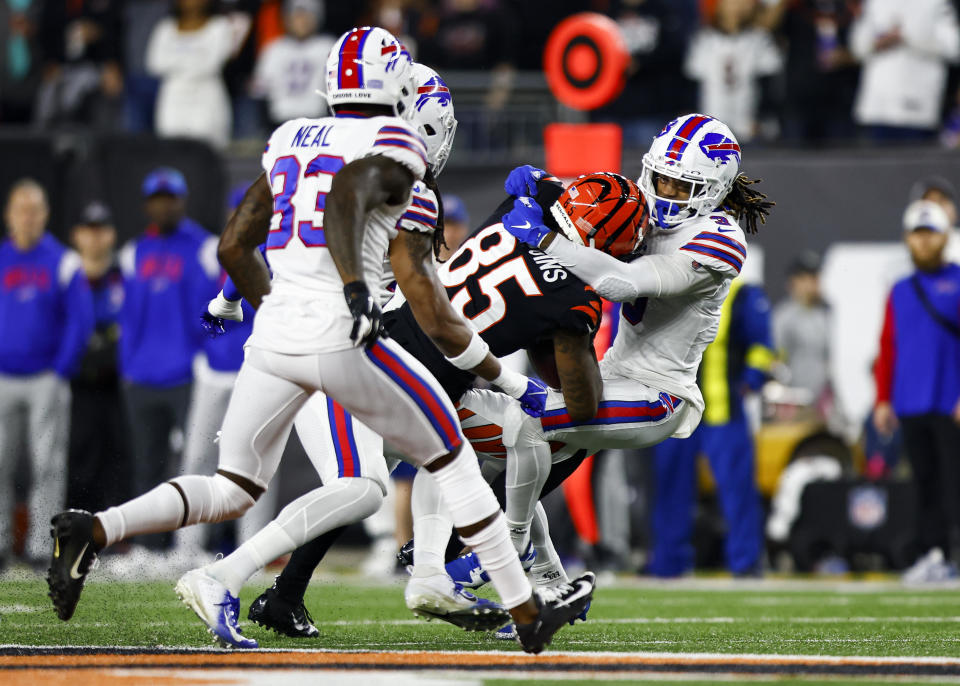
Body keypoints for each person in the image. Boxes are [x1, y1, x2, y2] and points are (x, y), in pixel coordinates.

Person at [47, 28, 593, 656]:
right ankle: (523, 615)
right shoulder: (397, 149)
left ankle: (96, 526)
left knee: (232, 488)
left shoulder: (289, 137)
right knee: (445, 459)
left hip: (276, 332)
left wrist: (250, 302)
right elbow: (399, 266)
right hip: (341, 339)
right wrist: (503, 375)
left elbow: (234, 245)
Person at [247, 168, 643, 639]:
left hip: (382, 343)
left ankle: (300, 590)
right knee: (535, 437)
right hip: (417, 382)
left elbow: (533, 182)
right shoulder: (573, 296)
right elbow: (580, 404)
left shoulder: (513, 214)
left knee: (385, 477)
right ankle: (451, 560)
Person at [457, 113, 773, 586]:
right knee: (516, 451)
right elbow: (593, 208)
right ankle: (545, 585)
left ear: (711, 191)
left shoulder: (718, 239)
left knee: (527, 424)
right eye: (659, 178)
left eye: (679, 186)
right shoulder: (646, 205)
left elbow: (623, 283)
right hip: (613, 377)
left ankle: (507, 548)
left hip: (658, 397)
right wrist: (548, 187)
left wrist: (543, 237)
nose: (662, 192)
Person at [117, 167, 220, 551]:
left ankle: (188, 546)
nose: (164, 206)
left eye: (170, 198)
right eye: (157, 199)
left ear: (182, 201)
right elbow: (127, 317)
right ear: (147, 205)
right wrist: (127, 366)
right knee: (146, 464)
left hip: (187, 374)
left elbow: (218, 312)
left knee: (193, 463)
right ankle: (147, 547)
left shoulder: (206, 249)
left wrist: (205, 353)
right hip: (141, 376)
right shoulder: (133, 252)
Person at [650, 279, 774, 577]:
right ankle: (669, 563)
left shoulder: (740, 293)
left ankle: (745, 563)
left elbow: (763, 345)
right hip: (675, 409)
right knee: (670, 489)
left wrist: (751, 380)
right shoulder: (665, 286)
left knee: (737, 490)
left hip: (722, 410)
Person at [0, 180, 94, 570]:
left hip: (44, 377)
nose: (27, 217)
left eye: (34, 209)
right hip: (3, 376)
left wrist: (60, 369)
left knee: (47, 464)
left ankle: (41, 547)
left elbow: (81, 319)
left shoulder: (63, 261)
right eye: (21, 209)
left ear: (45, 215)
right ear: (9, 215)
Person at [873, 199, 960, 583]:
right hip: (910, 401)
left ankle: (951, 553)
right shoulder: (899, 290)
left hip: (949, 401)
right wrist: (882, 399)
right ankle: (932, 554)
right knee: (923, 483)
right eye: (917, 234)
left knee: (953, 484)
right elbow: (888, 347)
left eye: (931, 234)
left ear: (945, 237)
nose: (923, 242)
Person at [66, 201, 130, 514]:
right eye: (88, 231)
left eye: (101, 231)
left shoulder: (123, 275)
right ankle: (77, 526)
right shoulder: (66, 275)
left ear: (111, 235)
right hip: (76, 381)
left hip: (116, 381)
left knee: (118, 453)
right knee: (78, 454)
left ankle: (116, 532)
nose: (95, 239)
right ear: (77, 235)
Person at [850, 0, 960, 142]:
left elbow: (954, 48)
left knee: (916, 162)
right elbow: (858, 47)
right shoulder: (875, 2)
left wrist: (907, 39)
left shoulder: (937, 3)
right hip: (877, 108)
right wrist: (877, 43)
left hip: (917, 110)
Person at [684, 0, 782, 142]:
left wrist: (764, 119)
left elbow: (771, 84)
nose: (737, 6)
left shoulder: (759, 40)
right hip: (709, 128)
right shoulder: (704, 40)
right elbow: (691, 83)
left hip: (749, 127)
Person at [146, 0, 237, 148]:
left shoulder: (219, 26)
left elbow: (211, 65)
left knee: (208, 148)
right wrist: (195, 59)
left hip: (206, 95)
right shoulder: (165, 28)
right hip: (173, 97)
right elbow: (155, 63)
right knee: (172, 148)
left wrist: (176, 62)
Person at [250, 0, 336, 129]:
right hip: (280, 120)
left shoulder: (328, 46)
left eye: (307, 15)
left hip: (316, 118)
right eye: (296, 16)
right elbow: (259, 90)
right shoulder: (274, 48)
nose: (301, 21)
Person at [772, 251, 832, 404]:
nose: (814, 283)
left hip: (820, 403)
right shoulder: (784, 317)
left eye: (816, 277)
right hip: (793, 403)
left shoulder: (824, 314)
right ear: (794, 281)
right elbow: (775, 362)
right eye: (808, 278)